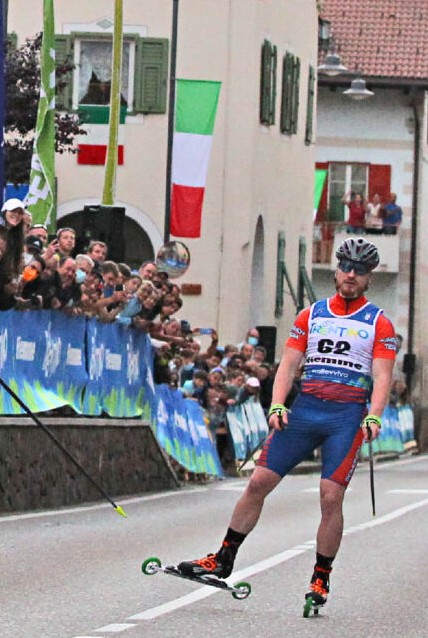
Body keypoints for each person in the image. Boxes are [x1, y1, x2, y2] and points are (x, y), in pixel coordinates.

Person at [168, 238, 400, 617]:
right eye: (346, 267)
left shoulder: (379, 322)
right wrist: (277, 404)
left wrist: (374, 414)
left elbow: (382, 375)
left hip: (345, 417)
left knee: (329, 496)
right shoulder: (310, 315)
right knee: (258, 483)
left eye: (360, 271)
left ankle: (321, 576)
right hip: (305, 410)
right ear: (337, 271)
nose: (351, 275)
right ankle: (223, 557)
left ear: (369, 278)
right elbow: (289, 366)